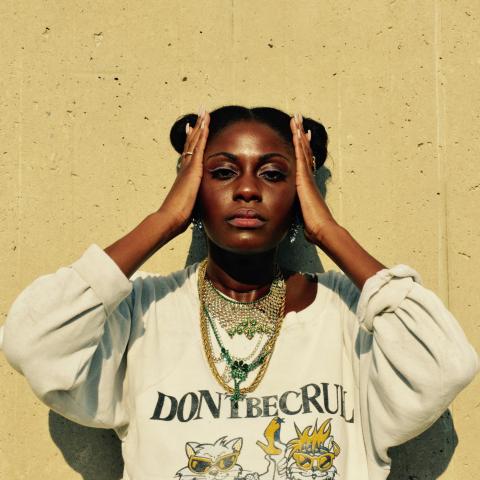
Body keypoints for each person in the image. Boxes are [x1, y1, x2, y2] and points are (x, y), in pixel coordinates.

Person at [1, 105, 478, 480]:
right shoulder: (144, 311)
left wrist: (329, 231)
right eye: (223, 172)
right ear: (192, 189)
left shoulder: (349, 313)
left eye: (273, 175)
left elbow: (446, 365)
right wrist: (163, 221)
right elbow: (32, 342)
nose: (248, 189)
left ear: (300, 193)